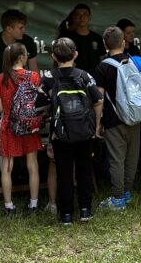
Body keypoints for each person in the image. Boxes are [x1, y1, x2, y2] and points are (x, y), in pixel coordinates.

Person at [43, 37, 104, 225]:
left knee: (64, 173)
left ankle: (66, 214)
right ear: (75, 54)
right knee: (84, 170)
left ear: (53, 56)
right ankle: (85, 210)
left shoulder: (49, 78)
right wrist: (96, 126)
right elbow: (98, 100)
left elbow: (41, 105)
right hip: (84, 132)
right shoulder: (84, 76)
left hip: (60, 134)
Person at [0, 43, 43, 216]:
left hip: (9, 126)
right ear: (22, 57)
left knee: (6, 167)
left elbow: (0, 107)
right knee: (32, 165)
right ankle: (33, 204)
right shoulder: (34, 76)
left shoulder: (0, 78)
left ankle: (9, 206)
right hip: (29, 126)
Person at [94, 27, 141, 211]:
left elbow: (99, 99)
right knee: (131, 157)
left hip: (114, 119)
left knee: (116, 159)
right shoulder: (134, 61)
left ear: (105, 45)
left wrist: (98, 122)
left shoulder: (102, 67)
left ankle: (117, 198)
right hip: (135, 115)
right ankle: (127, 192)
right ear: (123, 43)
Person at [0, 9, 38, 101]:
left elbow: (34, 70)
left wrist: (37, 99)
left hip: (22, 97)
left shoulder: (28, 42)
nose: (24, 31)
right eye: (20, 28)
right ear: (9, 29)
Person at [61, 3, 105, 73]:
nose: (81, 17)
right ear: (73, 17)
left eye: (85, 14)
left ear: (89, 17)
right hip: (74, 78)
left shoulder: (97, 38)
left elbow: (102, 60)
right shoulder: (68, 39)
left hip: (94, 79)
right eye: (78, 14)